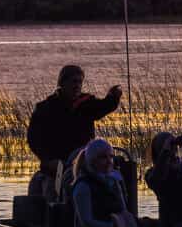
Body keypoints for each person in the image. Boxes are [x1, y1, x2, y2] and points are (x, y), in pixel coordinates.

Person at [27, 65, 122, 199]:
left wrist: (113, 97)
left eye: (80, 82)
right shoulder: (46, 107)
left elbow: (103, 107)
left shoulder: (86, 103)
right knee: (52, 198)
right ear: (62, 83)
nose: (77, 85)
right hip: (56, 167)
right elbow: (33, 139)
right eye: (73, 81)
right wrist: (47, 159)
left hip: (82, 165)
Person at [71, 138, 129, 227]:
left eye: (111, 157)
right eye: (103, 157)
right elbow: (86, 223)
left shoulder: (112, 182)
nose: (109, 161)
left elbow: (122, 210)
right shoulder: (83, 186)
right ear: (92, 161)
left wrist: (118, 186)